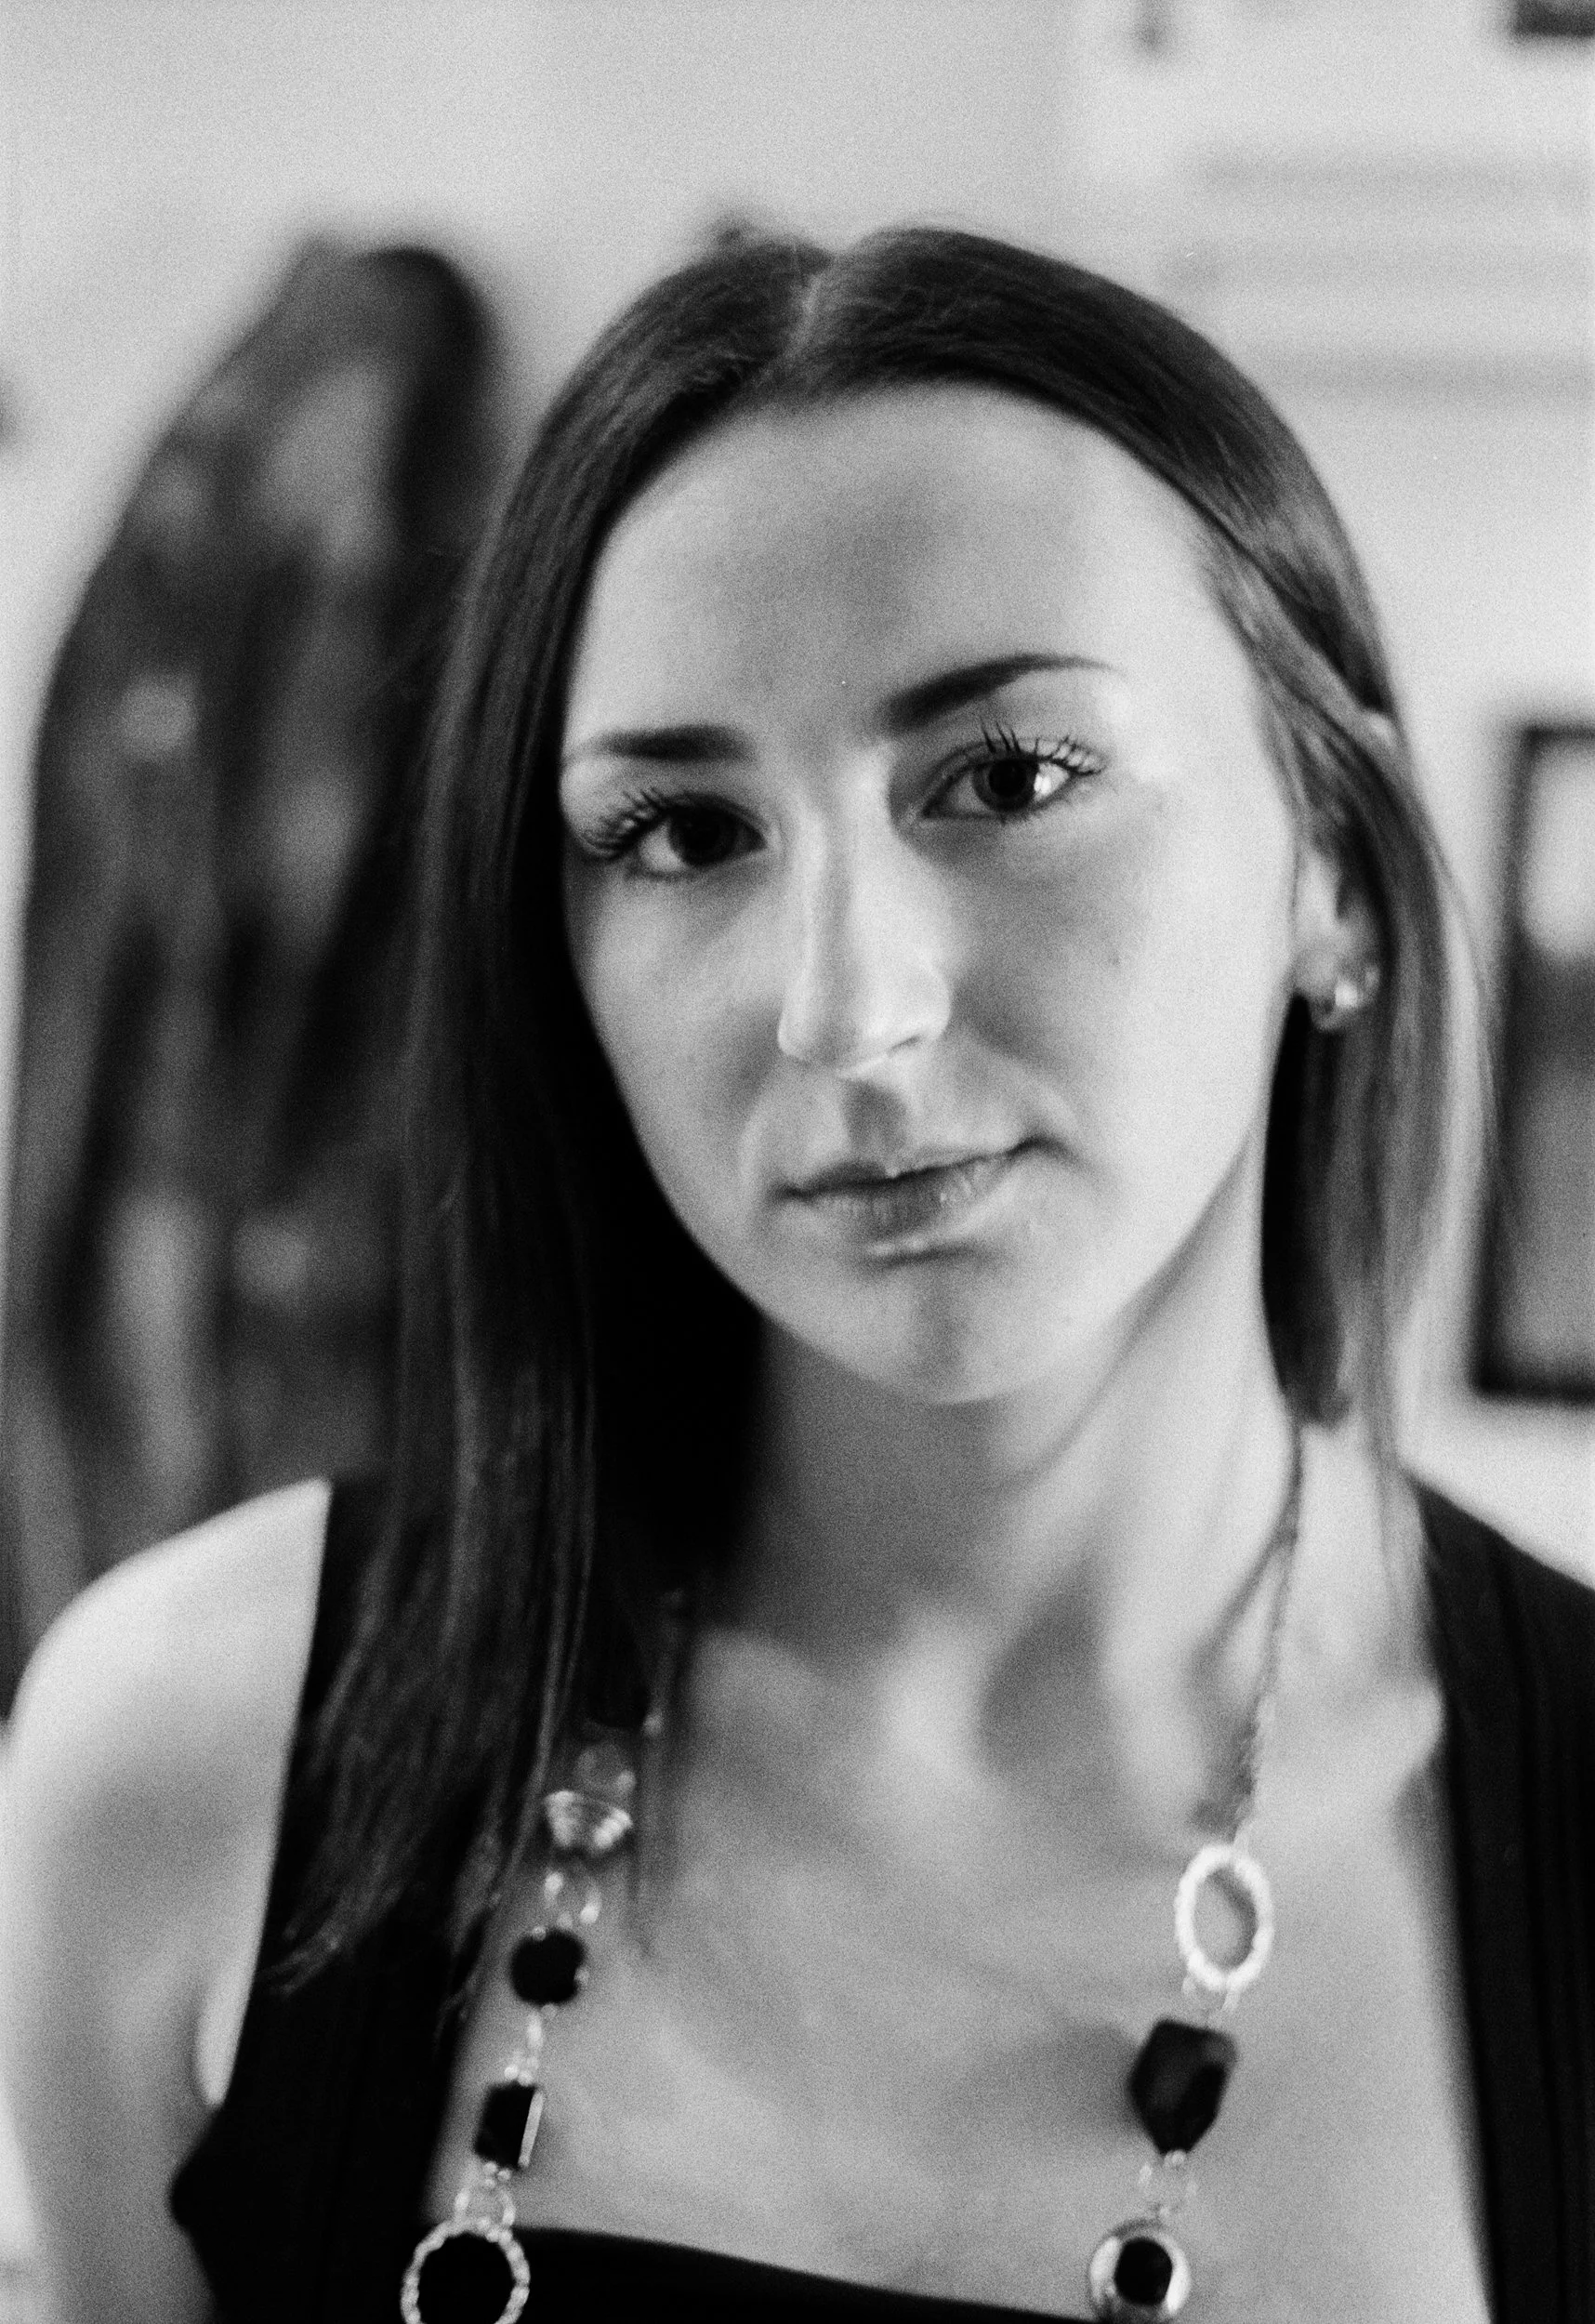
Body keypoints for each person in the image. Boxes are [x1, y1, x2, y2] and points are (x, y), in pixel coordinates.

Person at [3, 226, 1590, 2324]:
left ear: (1339, 873)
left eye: (1009, 778)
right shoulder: (176, 1754)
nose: (846, 1010)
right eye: (679, 833)